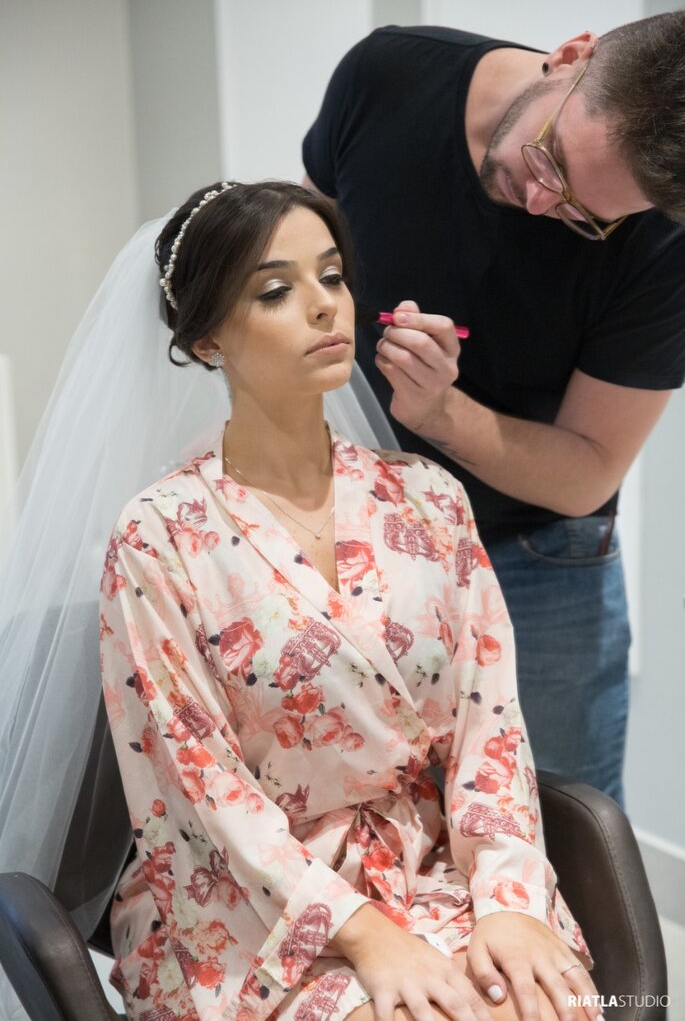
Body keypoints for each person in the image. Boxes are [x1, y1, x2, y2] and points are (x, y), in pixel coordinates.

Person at [96, 180, 599, 1021]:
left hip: (432, 866)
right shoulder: (159, 536)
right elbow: (196, 786)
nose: (325, 308)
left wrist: (508, 898)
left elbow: (491, 723)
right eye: (276, 290)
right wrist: (364, 935)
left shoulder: (428, 498)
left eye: (332, 277)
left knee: (543, 1003)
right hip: (245, 898)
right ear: (208, 339)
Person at [302, 12, 685, 808]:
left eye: (586, 214)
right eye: (549, 161)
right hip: (348, 529)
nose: (543, 203)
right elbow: (307, 255)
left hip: (536, 559)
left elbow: (585, 472)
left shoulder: (660, 248)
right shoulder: (387, 76)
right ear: (570, 56)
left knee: (555, 827)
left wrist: (441, 412)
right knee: (373, 815)